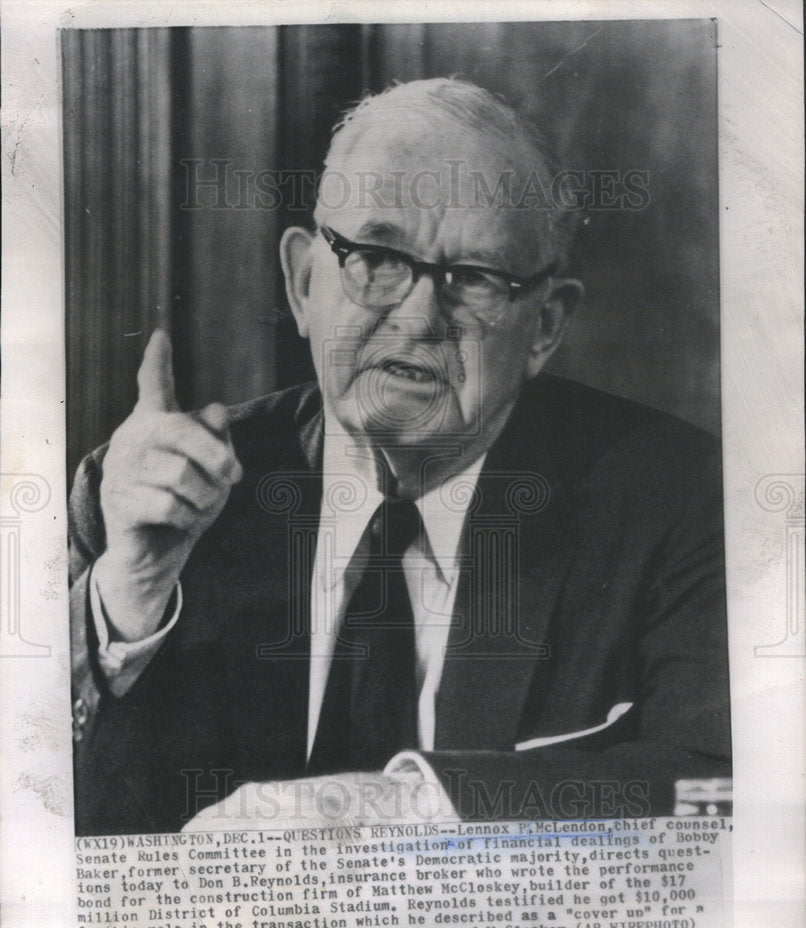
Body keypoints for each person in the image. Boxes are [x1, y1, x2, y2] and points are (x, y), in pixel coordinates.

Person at [69, 78, 731, 835]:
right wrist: (131, 591)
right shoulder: (147, 502)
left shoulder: (679, 504)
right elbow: (34, 811)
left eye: (476, 278)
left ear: (544, 326)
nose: (418, 317)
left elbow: (726, 783)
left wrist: (401, 807)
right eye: (378, 256)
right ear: (304, 281)